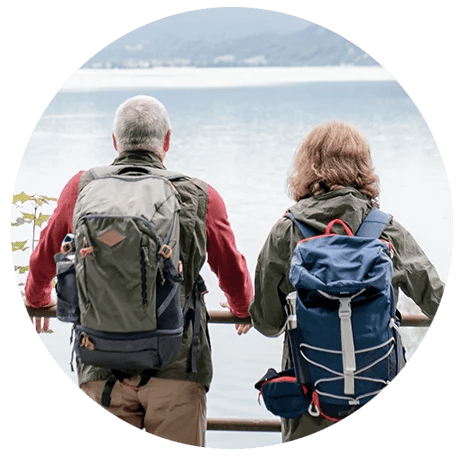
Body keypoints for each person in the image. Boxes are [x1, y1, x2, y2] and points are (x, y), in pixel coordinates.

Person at [24, 95, 253, 447]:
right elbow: (233, 273)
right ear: (167, 141)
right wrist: (242, 310)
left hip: (100, 364)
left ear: (115, 142)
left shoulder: (81, 188)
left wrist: (37, 299)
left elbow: (43, 259)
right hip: (177, 366)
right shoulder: (199, 195)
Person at [249, 121, 445, 442]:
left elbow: (268, 323)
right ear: (364, 167)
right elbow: (439, 301)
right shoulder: (386, 230)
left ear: (307, 167)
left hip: (311, 406)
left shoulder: (286, 231)